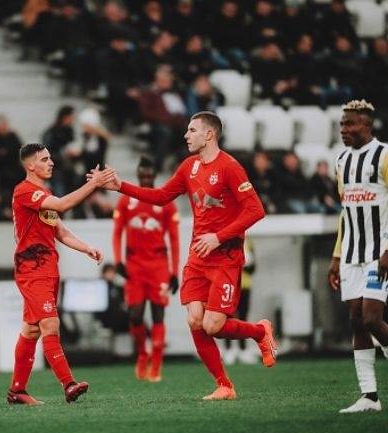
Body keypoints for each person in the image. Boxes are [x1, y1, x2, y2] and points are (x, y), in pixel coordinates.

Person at [97, 111, 277, 400]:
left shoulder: (230, 167)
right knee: (195, 320)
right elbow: (161, 196)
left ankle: (259, 332)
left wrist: (218, 237)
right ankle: (224, 385)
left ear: (209, 134)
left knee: (213, 325)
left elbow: (256, 210)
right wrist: (121, 187)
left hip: (226, 258)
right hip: (197, 258)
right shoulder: (189, 167)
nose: (185, 135)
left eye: (192, 130)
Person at [7, 143, 115, 405]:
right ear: (30, 165)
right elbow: (64, 204)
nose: (51, 162)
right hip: (32, 269)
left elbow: (60, 231)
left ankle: (17, 391)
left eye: (50, 157)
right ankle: (68, 384)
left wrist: (86, 247)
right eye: (45, 159)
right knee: (50, 324)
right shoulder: (25, 192)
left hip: (47, 268)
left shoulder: (43, 193)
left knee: (32, 330)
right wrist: (94, 184)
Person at [327, 99, 388, 413]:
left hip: (380, 254)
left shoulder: (385, 155)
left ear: (367, 125)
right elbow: (345, 213)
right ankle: (370, 397)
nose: (344, 130)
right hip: (351, 254)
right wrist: (337, 256)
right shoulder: (340, 161)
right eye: (341, 125)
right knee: (356, 322)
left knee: (372, 318)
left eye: (350, 124)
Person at [112, 156, 180, 382]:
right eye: (143, 174)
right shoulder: (126, 201)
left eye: (150, 174)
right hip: (135, 266)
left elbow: (174, 238)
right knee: (135, 315)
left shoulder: (166, 203)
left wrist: (173, 272)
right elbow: (117, 232)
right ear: (138, 173)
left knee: (158, 314)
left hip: (159, 265)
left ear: (155, 175)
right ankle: (142, 353)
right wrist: (118, 260)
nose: (146, 177)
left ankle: (157, 364)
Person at [223, 237, 257, 365]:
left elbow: (253, 268)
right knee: (227, 317)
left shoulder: (248, 241)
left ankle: (243, 350)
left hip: (245, 285)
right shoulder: (226, 240)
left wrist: (244, 263)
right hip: (229, 284)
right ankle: (229, 349)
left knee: (243, 317)